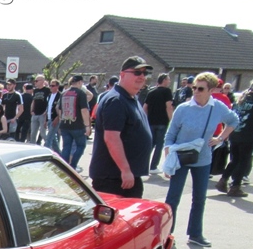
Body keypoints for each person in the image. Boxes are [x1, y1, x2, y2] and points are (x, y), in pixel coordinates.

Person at [163, 72, 238, 248]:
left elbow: (234, 120)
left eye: (201, 89)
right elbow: (170, 134)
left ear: (211, 90)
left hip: (203, 158)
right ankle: (166, 235)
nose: (196, 91)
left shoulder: (217, 107)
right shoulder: (183, 108)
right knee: (173, 197)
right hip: (180, 157)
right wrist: (168, 160)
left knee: (199, 198)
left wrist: (220, 138)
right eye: (194, 88)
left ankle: (195, 234)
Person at [89, 57, 154, 199]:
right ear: (122, 74)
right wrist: (125, 170)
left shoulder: (131, 98)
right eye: (137, 72)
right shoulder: (116, 100)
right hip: (114, 178)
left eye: (145, 73)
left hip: (126, 177)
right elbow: (112, 138)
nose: (142, 76)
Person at [216, 76, 253, 197]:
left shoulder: (242, 97)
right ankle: (235, 186)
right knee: (244, 161)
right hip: (249, 135)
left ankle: (223, 180)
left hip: (235, 133)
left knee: (235, 159)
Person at [59, 75, 92, 171]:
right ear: (80, 82)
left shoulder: (63, 93)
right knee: (81, 146)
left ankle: (64, 168)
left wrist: (61, 122)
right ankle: (73, 166)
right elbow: (84, 110)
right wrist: (87, 126)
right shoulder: (81, 93)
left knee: (66, 147)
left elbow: (60, 110)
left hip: (65, 124)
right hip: (78, 125)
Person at [143, 73, 174, 175]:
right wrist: (172, 121)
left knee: (150, 144)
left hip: (151, 122)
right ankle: (153, 167)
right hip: (162, 122)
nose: (169, 81)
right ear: (164, 80)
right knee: (159, 145)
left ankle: (143, 165)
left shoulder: (151, 92)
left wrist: (145, 120)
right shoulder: (167, 91)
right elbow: (169, 107)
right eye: (168, 79)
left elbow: (145, 108)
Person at [28, 75, 50, 143]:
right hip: (35, 114)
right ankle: (32, 146)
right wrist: (31, 110)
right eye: (35, 81)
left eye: (37, 81)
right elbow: (33, 101)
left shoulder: (47, 90)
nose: (35, 82)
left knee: (43, 133)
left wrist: (46, 111)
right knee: (33, 133)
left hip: (43, 114)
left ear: (42, 81)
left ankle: (48, 145)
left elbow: (49, 101)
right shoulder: (35, 90)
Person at [44, 79, 62, 152]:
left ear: (57, 86)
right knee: (54, 140)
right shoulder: (49, 95)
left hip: (55, 119)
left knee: (49, 137)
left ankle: (45, 151)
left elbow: (61, 108)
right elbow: (48, 108)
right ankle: (59, 154)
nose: (51, 87)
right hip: (49, 118)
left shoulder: (60, 95)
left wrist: (57, 118)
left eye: (53, 86)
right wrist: (45, 120)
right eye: (50, 85)